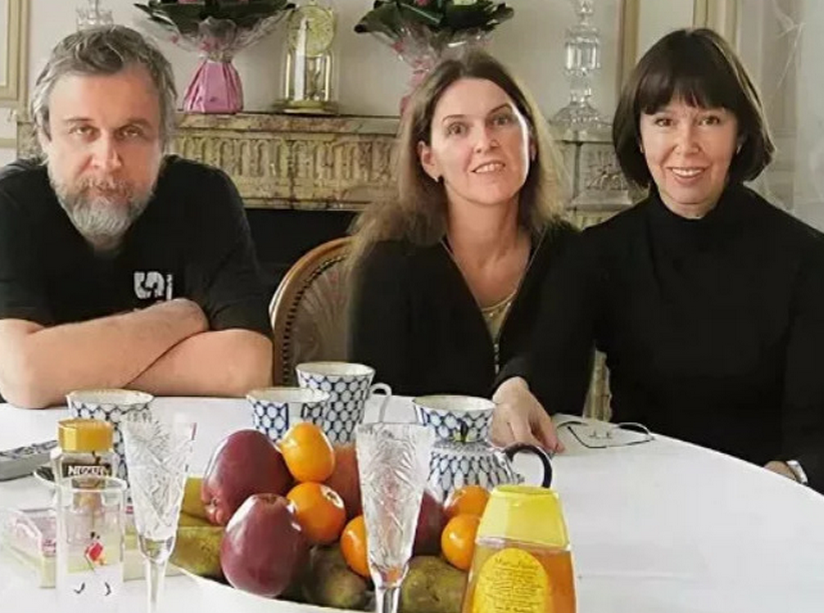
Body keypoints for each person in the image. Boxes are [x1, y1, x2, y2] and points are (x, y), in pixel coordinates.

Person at [491, 28, 824, 491]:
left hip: (760, 495)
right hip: (637, 488)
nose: (686, 144)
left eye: (709, 120)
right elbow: (548, 366)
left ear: (741, 134)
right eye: (664, 121)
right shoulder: (600, 253)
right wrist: (515, 387)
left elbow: (815, 433)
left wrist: (787, 476)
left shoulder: (807, 258)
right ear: (640, 135)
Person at [0, 26, 273, 412]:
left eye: (131, 132)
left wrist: (62, 372)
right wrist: (179, 317)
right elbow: (26, 378)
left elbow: (245, 368)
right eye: (83, 130)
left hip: (158, 436)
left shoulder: (203, 196)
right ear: (45, 135)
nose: (108, 160)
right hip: (0, 439)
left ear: (164, 140)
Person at [348, 50, 576, 399]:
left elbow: (564, 388)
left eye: (501, 120)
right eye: (457, 129)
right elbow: (377, 406)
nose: (485, 142)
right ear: (428, 159)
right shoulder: (388, 262)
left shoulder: (567, 252)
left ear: (530, 142)